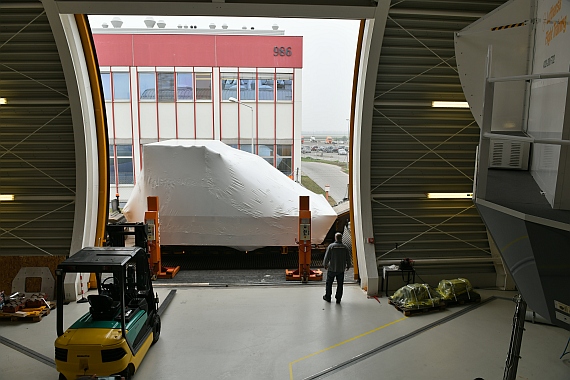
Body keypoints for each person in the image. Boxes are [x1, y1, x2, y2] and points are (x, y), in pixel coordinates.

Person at [323, 232, 352, 304]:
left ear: (335, 238)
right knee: (340, 284)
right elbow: (348, 258)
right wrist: (348, 265)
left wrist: (325, 264)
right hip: (341, 269)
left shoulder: (331, 246)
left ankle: (328, 297)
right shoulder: (345, 247)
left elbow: (327, 257)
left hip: (332, 268)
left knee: (329, 283)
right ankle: (338, 298)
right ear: (341, 238)